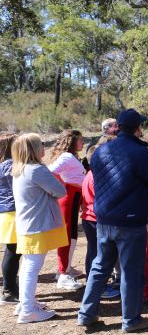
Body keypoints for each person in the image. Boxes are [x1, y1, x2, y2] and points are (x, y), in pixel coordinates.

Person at [77, 109, 148, 332]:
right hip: (130, 219)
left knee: (100, 266)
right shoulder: (140, 152)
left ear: (118, 127)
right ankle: (131, 320)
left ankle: (86, 314)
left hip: (104, 217)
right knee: (130, 270)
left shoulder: (101, 150)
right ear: (138, 129)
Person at [11, 133, 67, 323]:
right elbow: (60, 191)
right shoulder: (36, 170)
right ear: (33, 149)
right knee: (32, 266)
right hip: (36, 225)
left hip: (27, 224)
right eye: (41, 144)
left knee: (28, 265)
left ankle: (26, 304)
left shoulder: (20, 169)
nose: (45, 147)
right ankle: (28, 310)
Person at [81, 138, 121, 300]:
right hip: (96, 219)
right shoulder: (97, 176)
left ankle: (95, 285)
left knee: (94, 253)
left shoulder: (90, 173)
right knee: (100, 256)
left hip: (89, 217)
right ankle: (100, 288)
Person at [46, 129, 85, 290]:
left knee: (72, 234)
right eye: (80, 140)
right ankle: (63, 274)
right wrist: (65, 185)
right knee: (67, 235)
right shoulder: (67, 156)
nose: (83, 142)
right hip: (68, 198)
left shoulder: (71, 156)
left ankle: (66, 268)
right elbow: (49, 172)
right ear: (71, 141)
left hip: (74, 197)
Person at [1, 133, 20, 305]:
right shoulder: (9, 166)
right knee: (13, 252)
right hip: (12, 212)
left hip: (7, 213)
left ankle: (11, 286)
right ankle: (8, 291)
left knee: (12, 251)